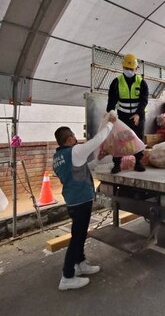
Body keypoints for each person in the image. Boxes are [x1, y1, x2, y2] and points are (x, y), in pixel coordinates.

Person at [53, 111, 116, 291]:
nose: (75, 138)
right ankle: (67, 276)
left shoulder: (58, 157)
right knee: (77, 237)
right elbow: (96, 140)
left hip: (73, 200)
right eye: (73, 136)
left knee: (79, 234)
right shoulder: (74, 151)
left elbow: (83, 169)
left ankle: (80, 264)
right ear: (70, 138)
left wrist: (98, 159)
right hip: (80, 200)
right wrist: (110, 124)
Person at [106, 53, 149, 174]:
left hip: (138, 115)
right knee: (119, 139)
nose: (129, 70)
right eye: (127, 68)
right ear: (123, 68)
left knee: (138, 138)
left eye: (131, 69)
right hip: (122, 116)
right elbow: (112, 100)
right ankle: (117, 164)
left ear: (136, 69)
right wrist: (110, 113)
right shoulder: (116, 82)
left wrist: (138, 114)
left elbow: (144, 100)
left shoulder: (141, 83)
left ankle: (138, 162)